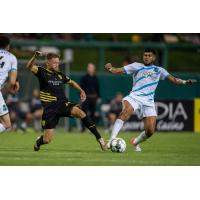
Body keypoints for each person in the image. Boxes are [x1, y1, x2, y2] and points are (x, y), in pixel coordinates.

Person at [105, 48, 197, 152]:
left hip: (148, 101)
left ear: (153, 57)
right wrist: (110, 68)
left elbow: (174, 80)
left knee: (150, 131)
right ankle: (111, 140)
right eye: (145, 55)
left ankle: (135, 142)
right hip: (134, 97)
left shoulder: (159, 70)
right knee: (124, 113)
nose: (147, 57)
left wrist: (185, 82)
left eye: (149, 55)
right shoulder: (136, 66)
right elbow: (119, 70)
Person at [26, 51, 106, 151]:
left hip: (62, 104)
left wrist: (81, 90)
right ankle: (39, 141)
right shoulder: (41, 72)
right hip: (50, 109)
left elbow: (71, 82)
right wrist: (35, 56)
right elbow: (29, 66)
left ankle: (100, 139)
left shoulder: (60, 75)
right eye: (54, 62)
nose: (57, 64)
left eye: (58, 62)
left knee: (80, 112)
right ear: (48, 63)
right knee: (47, 140)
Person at [0, 35, 19, 133]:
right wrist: (15, 82)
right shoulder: (12, 58)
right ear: (8, 46)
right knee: (6, 124)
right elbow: (12, 81)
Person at [80, 63, 100, 131]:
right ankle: (83, 128)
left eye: (92, 67)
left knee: (93, 114)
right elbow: (81, 88)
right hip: (86, 98)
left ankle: (93, 129)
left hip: (93, 98)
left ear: (94, 69)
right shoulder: (84, 77)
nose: (91, 69)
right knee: (83, 113)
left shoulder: (95, 78)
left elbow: (97, 88)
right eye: (89, 67)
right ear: (87, 68)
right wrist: (82, 96)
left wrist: (99, 97)